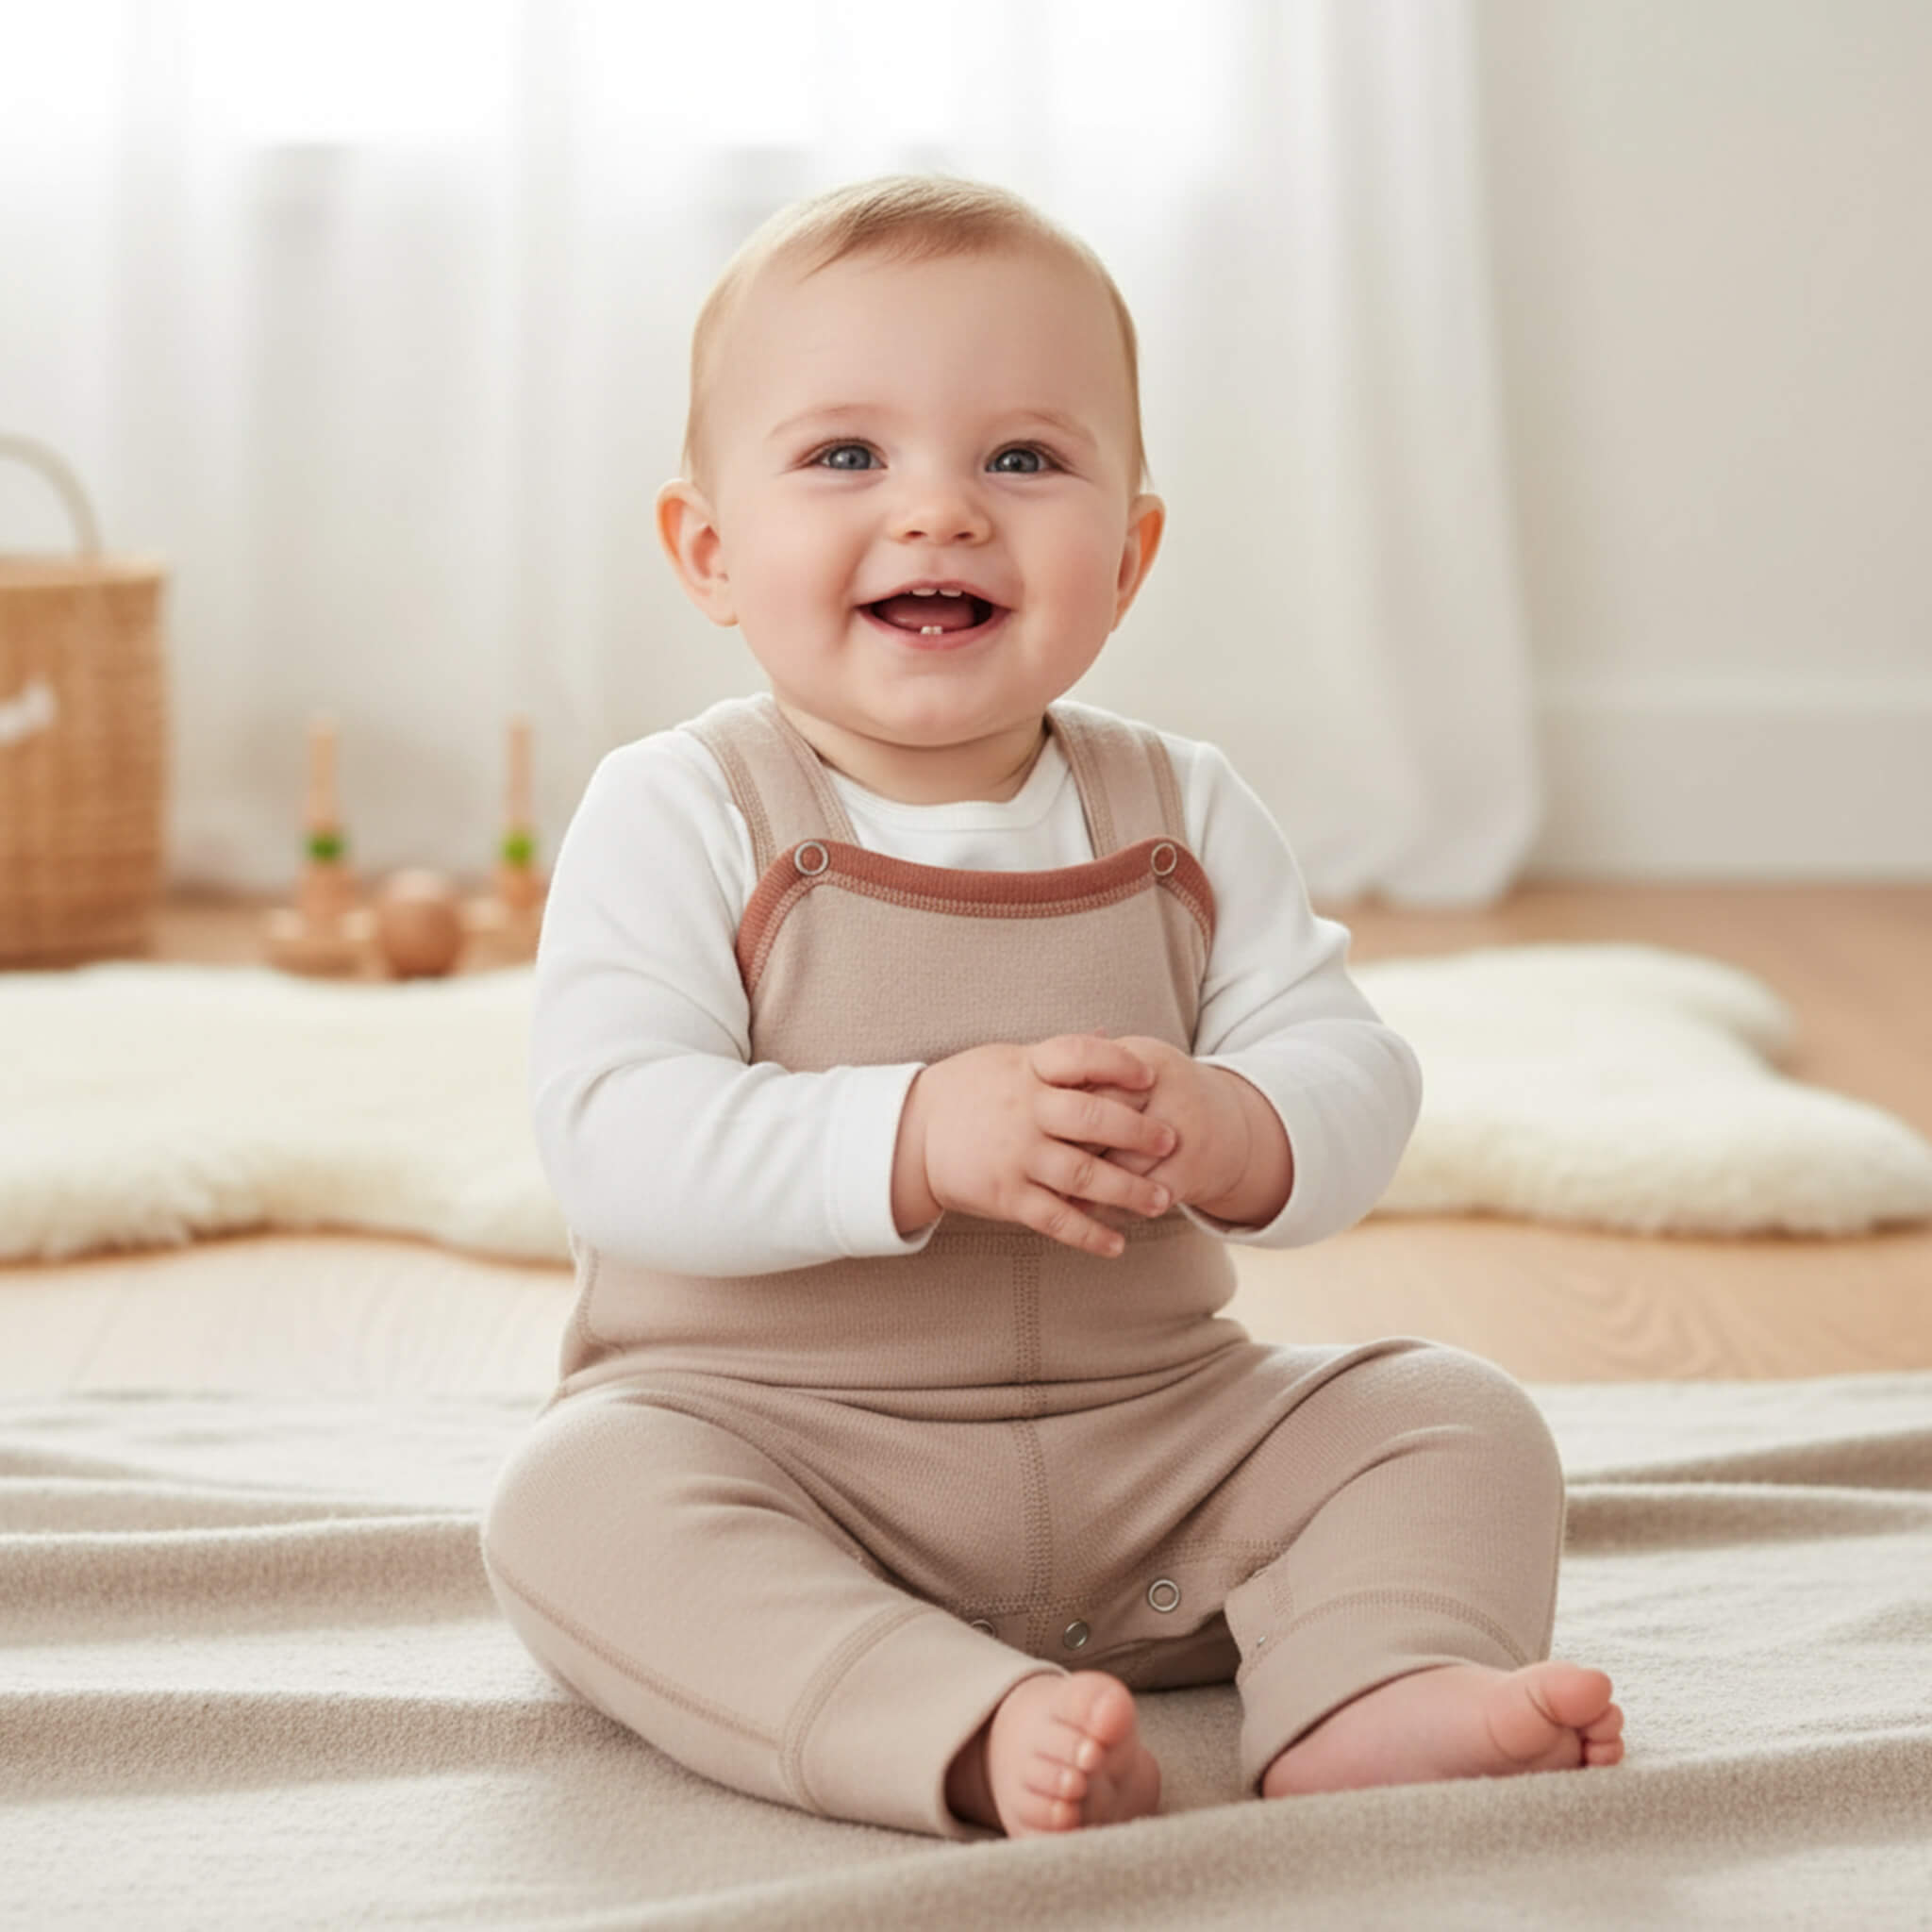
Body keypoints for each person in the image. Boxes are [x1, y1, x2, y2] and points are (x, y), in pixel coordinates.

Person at [480, 173, 1624, 1840]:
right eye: (846, 456)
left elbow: (1348, 1067)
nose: (940, 512)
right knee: (573, 1506)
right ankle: (945, 1718)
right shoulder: (686, 809)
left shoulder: (1182, 809)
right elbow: (614, 1142)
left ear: (1132, 553)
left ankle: (1373, 1689)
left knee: (1452, 1414)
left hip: (1159, 1444)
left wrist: (1240, 1125)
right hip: (788, 1452)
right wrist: (917, 1134)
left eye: (1021, 458)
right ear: (710, 551)